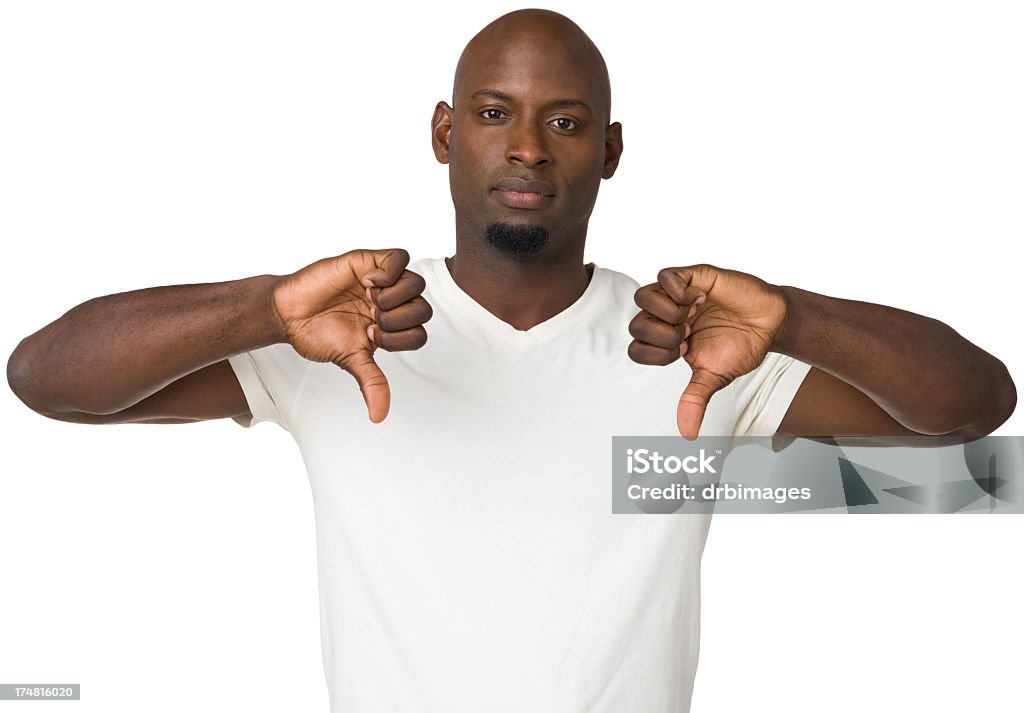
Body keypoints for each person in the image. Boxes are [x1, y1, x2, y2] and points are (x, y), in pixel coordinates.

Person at [6, 8, 1015, 713]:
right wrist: (261, 308)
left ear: (609, 151)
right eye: (494, 113)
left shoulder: (694, 345)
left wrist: (796, 320)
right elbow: (45, 378)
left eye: (564, 122)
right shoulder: (338, 334)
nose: (527, 147)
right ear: (445, 133)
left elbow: (971, 414)